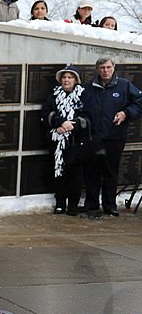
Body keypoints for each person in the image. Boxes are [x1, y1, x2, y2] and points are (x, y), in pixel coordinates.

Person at [82, 57, 142, 218]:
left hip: (115, 136)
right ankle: (92, 205)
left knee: (111, 172)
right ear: (97, 69)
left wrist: (126, 113)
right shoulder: (88, 88)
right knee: (92, 172)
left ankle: (110, 205)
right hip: (93, 137)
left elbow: (139, 102)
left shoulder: (124, 85)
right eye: (102, 68)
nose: (105, 71)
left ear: (114, 68)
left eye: (108, 67)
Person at [42, 66, 91, 215]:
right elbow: (46, 112)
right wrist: (60, 123)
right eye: (64, 77)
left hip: (77, 141)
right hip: (58, 141)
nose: (66, 80)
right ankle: (60, 203)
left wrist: (73, 125)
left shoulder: (84, 95)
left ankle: (73, 204)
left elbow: (89, 115)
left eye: (70, 77)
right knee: (59, 172)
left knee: (75, 173)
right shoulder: (53, 96)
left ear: (76, 80)